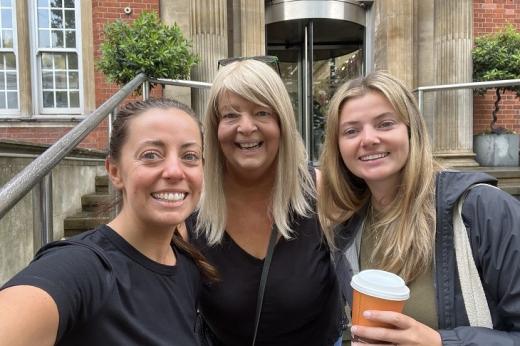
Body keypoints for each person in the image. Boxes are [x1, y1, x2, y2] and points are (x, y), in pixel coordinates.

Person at [318, 71, 520, 345]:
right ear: (338, 146)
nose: (368, 139)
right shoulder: (346, 230)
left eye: (385, 124)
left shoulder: (482, 211)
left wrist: (441, 342)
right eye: (351, 131)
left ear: (411, 130)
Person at [0, 98, 217, 345]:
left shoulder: (187, 266)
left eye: (189, 156)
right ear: (114, 171)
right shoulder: (83, 267)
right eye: (151, 155)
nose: (175, 171)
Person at [186, 58, 343, 346]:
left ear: (282, 123)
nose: (246, 127)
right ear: (215, 128)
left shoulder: (319, 190)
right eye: (231, 115)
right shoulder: (191, 205)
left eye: (261, 112)